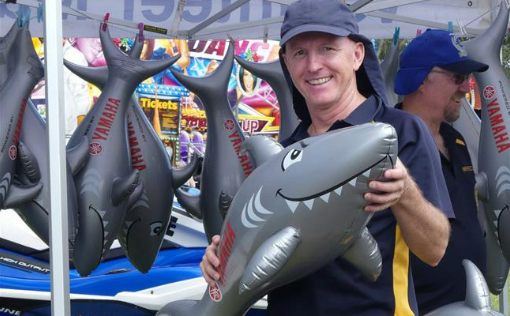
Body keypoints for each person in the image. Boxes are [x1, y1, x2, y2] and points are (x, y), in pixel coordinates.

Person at [200, 0, 454, 315]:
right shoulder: (285, 153)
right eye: (299, 53)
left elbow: (435, 249)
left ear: (357, 55)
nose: (314, 66)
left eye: (328, 49)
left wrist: (405, 194)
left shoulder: (400, 131)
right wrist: (219, 256)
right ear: (286, 62)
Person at [393, 29, 489, 314]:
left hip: (467, 302)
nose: (466, 88)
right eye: (457, 78)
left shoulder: (456, 141)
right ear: (422, 80)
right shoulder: (388, 143)